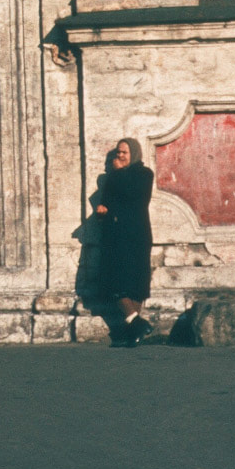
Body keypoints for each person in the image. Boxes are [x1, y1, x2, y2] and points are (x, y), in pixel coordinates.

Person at [94, 137, 154, 347]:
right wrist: (102, 210)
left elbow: (134, 195)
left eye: (124, 153)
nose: (119, 156)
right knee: (116, 283)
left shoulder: (144, 175)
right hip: (116, 236)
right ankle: (137, 325)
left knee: (136, 284)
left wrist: (118, 173)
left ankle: (133, 331)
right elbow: (107, 201)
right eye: (118, 152)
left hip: (137, 235)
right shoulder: (112, 177)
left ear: (134, 154)